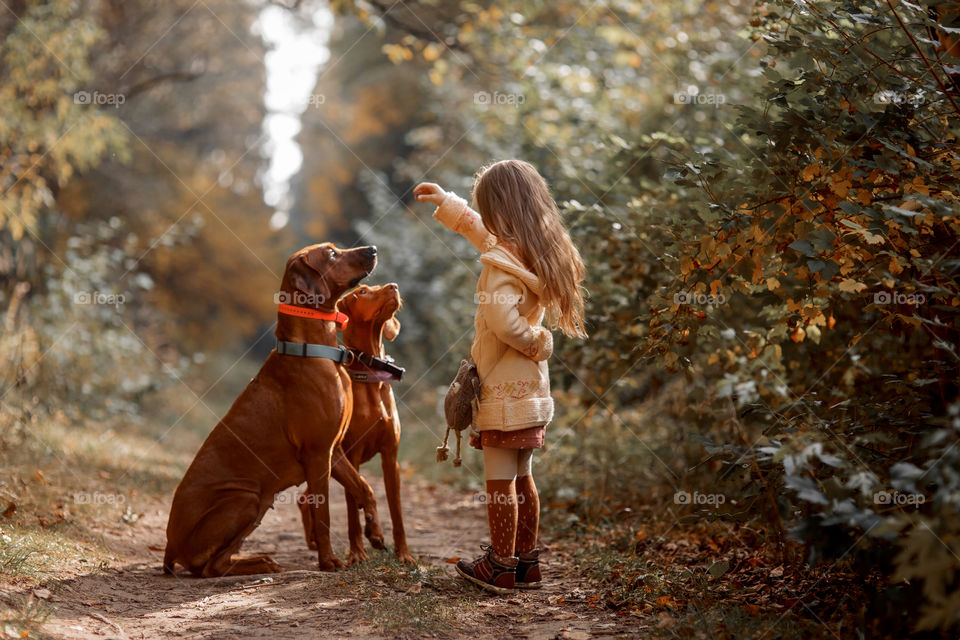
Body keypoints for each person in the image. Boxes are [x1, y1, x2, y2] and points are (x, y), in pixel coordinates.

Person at [414, 159, 587, 593]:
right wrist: (447, 203)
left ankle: (500, 565)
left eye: (483, 207)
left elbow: (505, 322)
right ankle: (528, 562)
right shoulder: (531, 251)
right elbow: (481, 234)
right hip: (530, 390)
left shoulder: (501, 266)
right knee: (523, 475)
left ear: (500, 209)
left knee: (498, 480)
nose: (483, 218)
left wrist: (538, 341)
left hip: (504, 393)